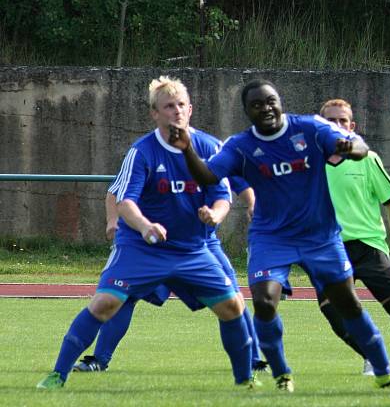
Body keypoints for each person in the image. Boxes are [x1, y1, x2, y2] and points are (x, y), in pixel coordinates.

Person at [168, 80, 390, 392]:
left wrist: (352, 147)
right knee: (265, 302)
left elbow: (359, 146)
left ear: (280, 101)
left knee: (347, 304)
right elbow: (209, 176)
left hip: (320, 237)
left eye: (270, 101)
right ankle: (282, 374)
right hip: (272, 239)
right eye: (256, 105)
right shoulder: (240, 146)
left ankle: (385, 373)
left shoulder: (310, 127)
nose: (265, 108)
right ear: (247, 111)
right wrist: (187, 150)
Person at [36, 76, 256, 390]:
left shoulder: (210, 147)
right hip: (142, 248)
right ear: (155, 113)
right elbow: (124, 201)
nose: (176, 111)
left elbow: (222, 196)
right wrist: (145, 227)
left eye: (181, 105)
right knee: (105, 304)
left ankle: (245, 380)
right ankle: (58, 374)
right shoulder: (142, 152)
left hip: (192, 249)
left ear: (190, 109)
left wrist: (215, 214)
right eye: (168, 106)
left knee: (233, 306)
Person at [72, 186, 268, 374]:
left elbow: (237, 183)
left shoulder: (213, 154)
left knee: (232, 299)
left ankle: (253, 361)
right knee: (125, 296)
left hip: (200, 245)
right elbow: (117, 190)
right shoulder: (147, 153)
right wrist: (112, 220)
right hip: (153, 244)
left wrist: (250, 202)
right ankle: (99, 360)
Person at [315, 98, 390, 377]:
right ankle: (371, 356)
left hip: (369, 247)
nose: (337, 125)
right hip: (330, 249)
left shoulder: (368, 158)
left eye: (343, 121)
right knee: (331, 311)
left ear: (352, 126)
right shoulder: (312, 164)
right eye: (331, 120)